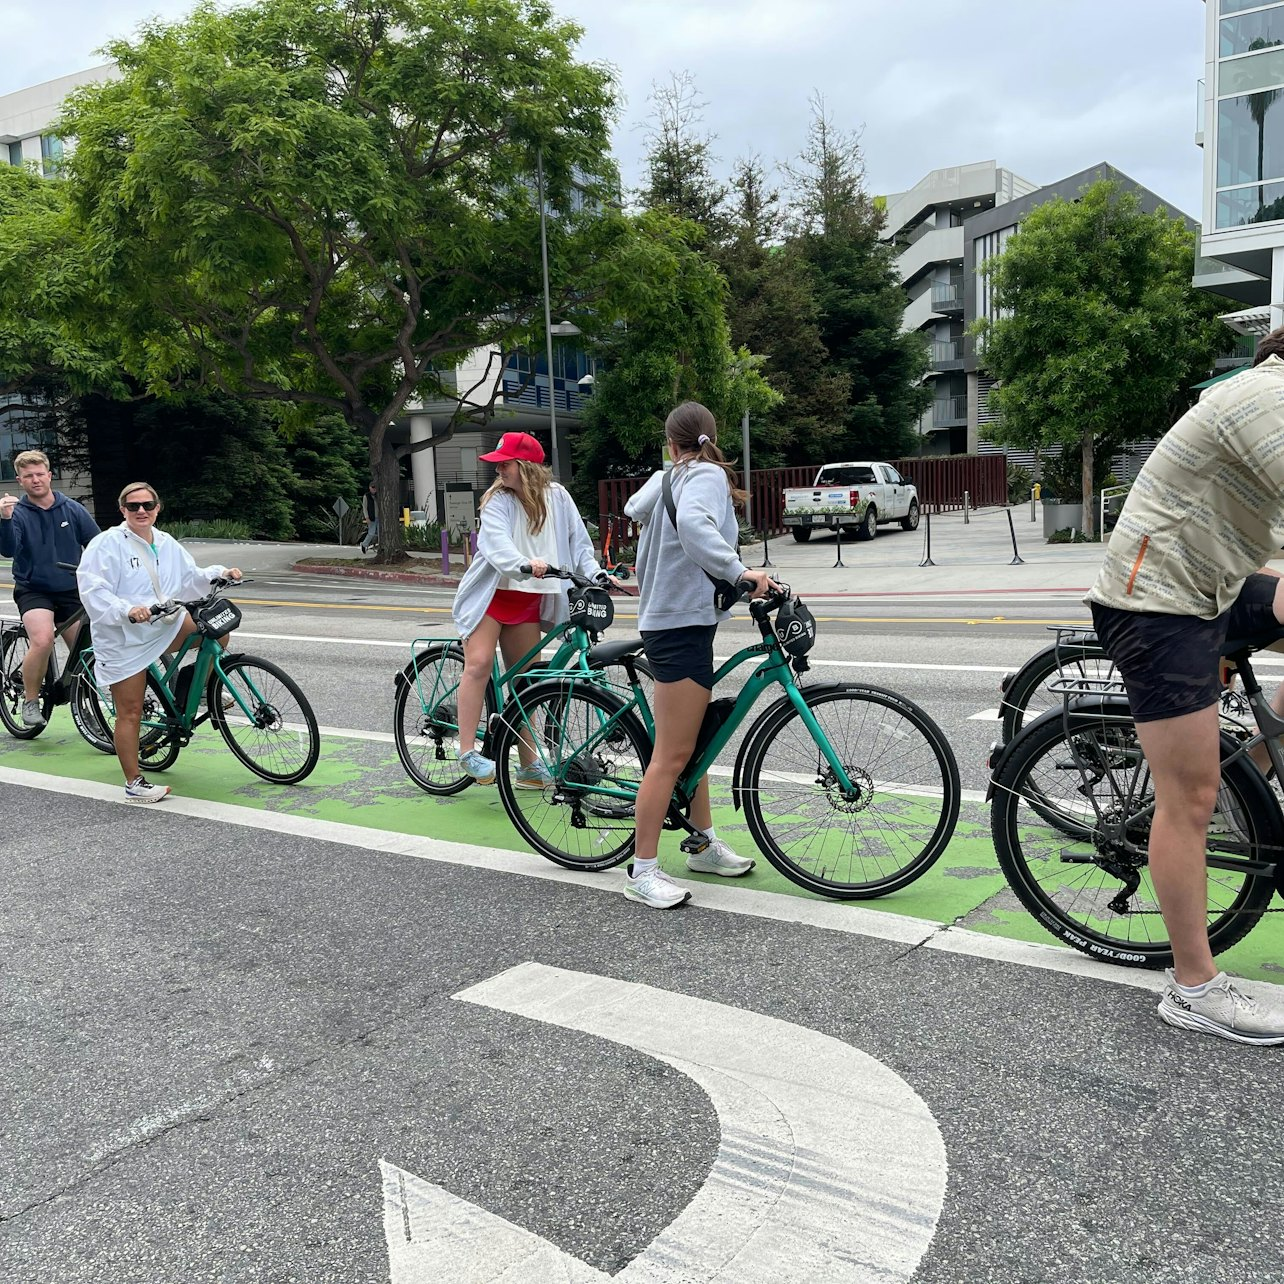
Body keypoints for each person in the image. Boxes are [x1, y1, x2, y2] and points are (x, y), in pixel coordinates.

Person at [1087, 326, 1284, 1045]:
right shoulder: (1267, 396)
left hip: (1216, 583)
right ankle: (1194, 988)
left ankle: (1252, 774)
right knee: (1188, 797)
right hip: (1155, 602)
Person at [620, 402, 778, 910]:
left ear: (671, 444)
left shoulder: (670, 476)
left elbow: (633, 509)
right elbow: (692, 524)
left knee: (694, 746)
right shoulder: (705, 473)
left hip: (679, 619)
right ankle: (642, 871)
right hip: (679, 625)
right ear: (710, 439)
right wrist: (740, 573)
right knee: (669, 755)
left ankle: (704, 844)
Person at [451, 431, 613, 787]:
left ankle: (528, 765)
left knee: (527, 683)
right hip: (494, 595)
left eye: (505, 464)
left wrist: (596, 573)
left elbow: (578, 543)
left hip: (527, 598)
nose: (499, 472)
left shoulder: (557, 497)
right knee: (478, 663)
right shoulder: (498, 501)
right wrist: (524, 563)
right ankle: (467, 750)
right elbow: (495, 543)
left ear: (525, 466)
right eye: (498, 465)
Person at [77, 483, 240, 804]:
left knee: (217, 630)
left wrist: (221, 572)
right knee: (130, 712)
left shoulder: (165, 542)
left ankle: (199, 689)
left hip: (163, 623)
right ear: (122, 509)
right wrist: (127, 609)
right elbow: (93, 589)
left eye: (148, 505)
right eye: (133, 505)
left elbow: (190, 576)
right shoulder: (106, 544)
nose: (141, 511)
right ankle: (134, 782)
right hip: (124, 637)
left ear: (157, 507)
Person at [0, 450, 100, 728]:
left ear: (49, 475)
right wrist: (5, 519)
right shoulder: (17, 512)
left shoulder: (72, 509)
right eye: (28, 476)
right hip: (35, 589)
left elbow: (97, 544)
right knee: (43, 640)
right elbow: (7, 550)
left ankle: (89, 709)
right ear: (20, 480)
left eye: (39, 474)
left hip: (71, 589)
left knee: (87, 655)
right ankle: (30, 701)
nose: (35, 480)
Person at [360, 482, 379, 554]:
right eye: (373, 487)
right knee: (371, 532)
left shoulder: (378, 495)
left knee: (380, 533)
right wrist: (366, 517)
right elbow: (364, 507)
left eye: (375, 488)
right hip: (371, 517)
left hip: (379, 517)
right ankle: (364, 544)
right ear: (369, 487)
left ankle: (379, 547)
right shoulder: (366, 496)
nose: (374, 489)